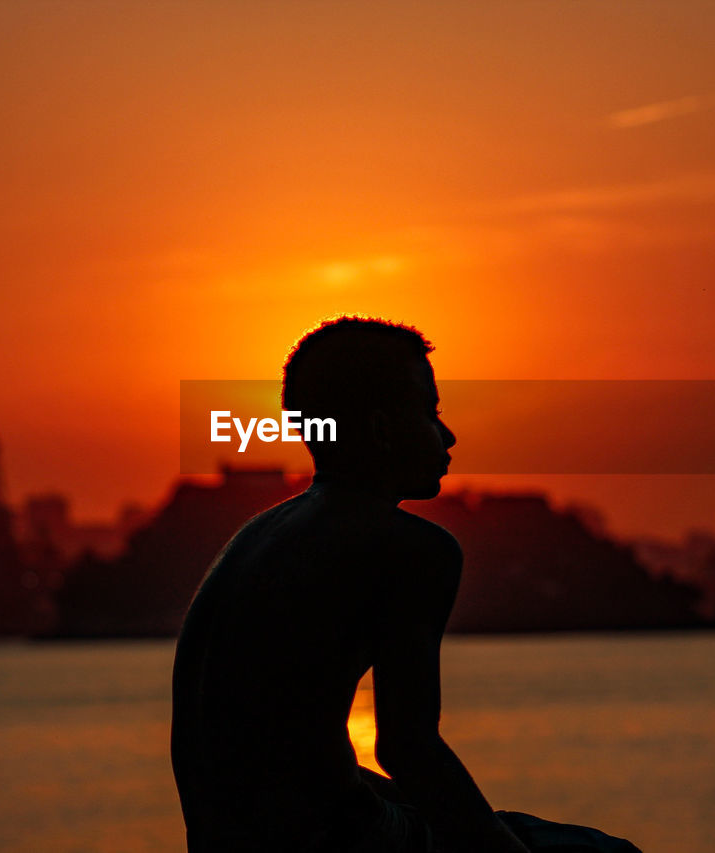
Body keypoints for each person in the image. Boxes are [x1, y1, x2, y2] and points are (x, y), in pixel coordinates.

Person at [171, 317, 642, 853]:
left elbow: (263, 764)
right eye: (430, 412)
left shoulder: (256, 538)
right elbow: (406, 746)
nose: (447, 435)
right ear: (381, 429)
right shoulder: (412, 548)